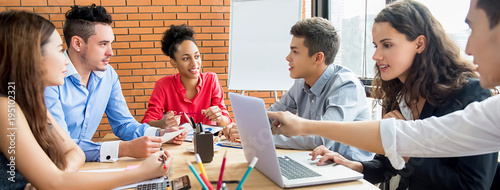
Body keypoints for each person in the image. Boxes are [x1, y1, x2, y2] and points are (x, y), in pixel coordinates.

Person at [267, 0, 500, 171]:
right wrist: (354, 165)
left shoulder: (470, 94)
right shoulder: (399, 92)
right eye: (375, 45)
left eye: (387, 45)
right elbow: (387, 164)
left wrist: (407, 153)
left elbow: (472, 184)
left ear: (419, 44)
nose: (376, 56)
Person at [0, 10, 172, 189]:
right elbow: (54, 182)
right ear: (31, 57)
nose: (65, 60)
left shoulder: (32, 102)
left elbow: (75, 154)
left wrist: (50, 178)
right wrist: (142, 172)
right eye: (59, 50)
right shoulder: (6, 107)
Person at [44, 4, 187, 163]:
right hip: (48, 167)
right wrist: (123, 149)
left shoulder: (108, 74)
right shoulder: (50, 78)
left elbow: (124, 124)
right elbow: (61, 145)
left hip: (78, 164)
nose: (111, 52)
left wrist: (160, 134)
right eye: (103, 44)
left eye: (110, 43)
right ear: (77, 43)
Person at [225, 17, 374, 161]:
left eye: (295, 52)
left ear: (317, 58)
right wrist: (245, 127)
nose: (288, 57)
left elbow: (320, 139)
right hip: (316, 161)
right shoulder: (301, 82)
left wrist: (258, 137)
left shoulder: (345, 86)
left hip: (348, 171)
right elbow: (272, 117)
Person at [141, 24, 232, 128]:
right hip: (179, 143)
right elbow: (146, 122)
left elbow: (227, 121)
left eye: (197, 56)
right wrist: (162, 123)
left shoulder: (211, 80)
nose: (194, 63)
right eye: (186, 58)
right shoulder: (163, 85)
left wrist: (220, 118)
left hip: (210, 142)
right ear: (173, 62)